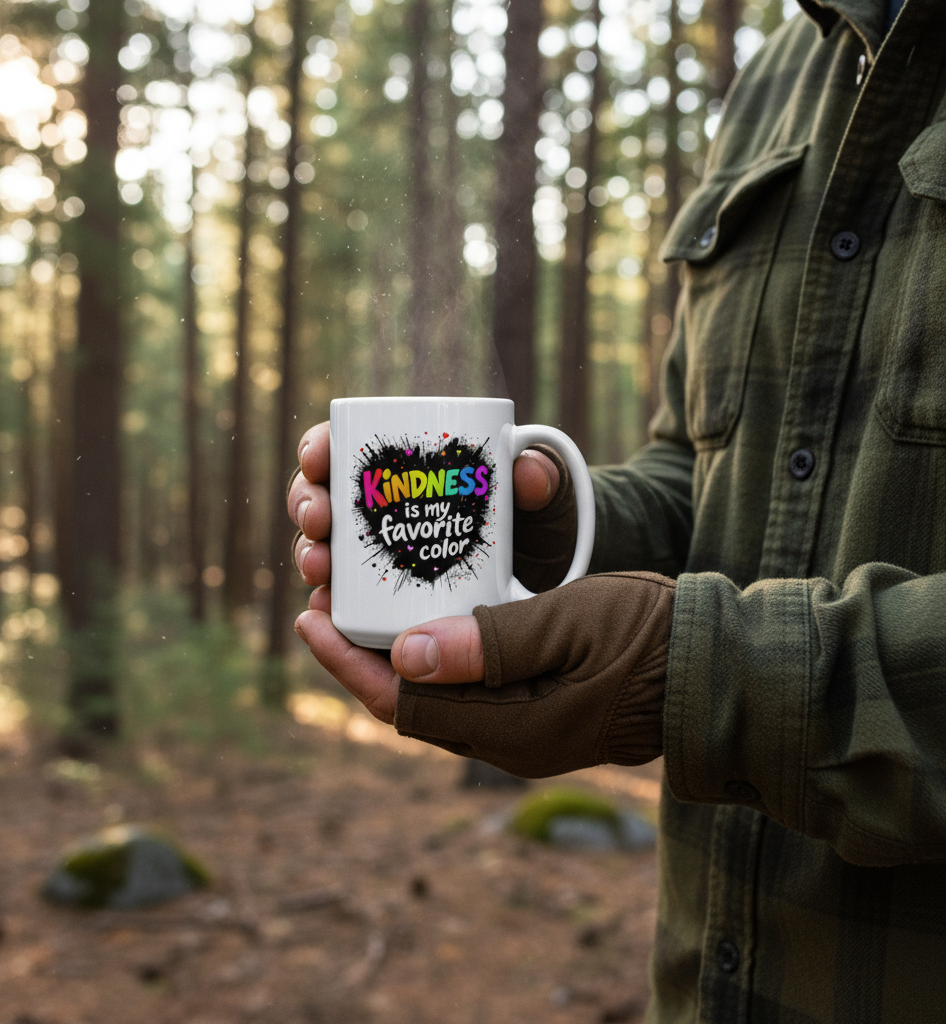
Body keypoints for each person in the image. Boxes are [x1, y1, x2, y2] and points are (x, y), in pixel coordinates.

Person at [288, 0, 946, 1018]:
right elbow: (702, 470)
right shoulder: (780, 74)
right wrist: (548, 534)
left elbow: (694, 639)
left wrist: (695, 673)